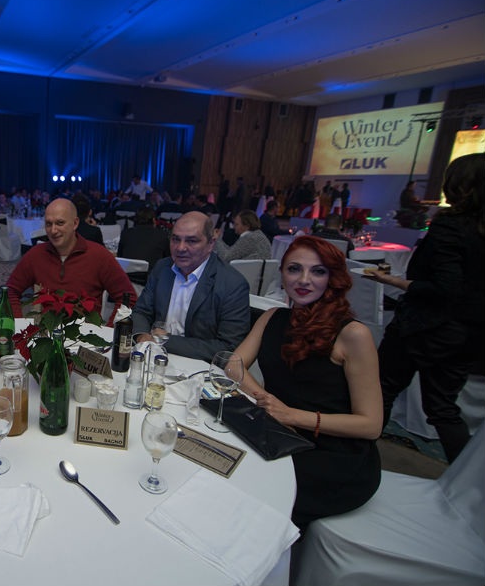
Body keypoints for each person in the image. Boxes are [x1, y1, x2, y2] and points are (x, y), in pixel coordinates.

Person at [235, 236, 382, 529]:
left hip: (333, 455)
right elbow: (233, 365)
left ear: (333, 277)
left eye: (317, 271)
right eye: (294, 269)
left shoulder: (353, 335)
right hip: (280, 434)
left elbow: (371, 425)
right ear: (282, 274)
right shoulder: (273, 317)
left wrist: (291, 415)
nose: (303, 280)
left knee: (248, 490)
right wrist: (267, 402)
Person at [369, 153, 485, 462]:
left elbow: (445, 288)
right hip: (469, 334)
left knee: (381, 389)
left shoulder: (451, 226)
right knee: (442, 408)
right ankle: (467, 482)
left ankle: (358, 461)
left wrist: (394, 281)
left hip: (425, 327)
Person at [132, 211, 250, 361]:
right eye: (175, 239)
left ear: (211, 244)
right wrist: (142, 336)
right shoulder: (163, 268)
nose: (180, 248)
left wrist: (164, 341)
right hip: (152, 358)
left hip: (198, 366)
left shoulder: (232, 284)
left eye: (192, 241)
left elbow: (227, 347)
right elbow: (141, 311)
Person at [6, 198, 135, 317]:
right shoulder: (36, 255)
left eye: (60, 223)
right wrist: (17, 323)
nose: (53, 230)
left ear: (75, 223)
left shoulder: (99, 255)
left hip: (86, 333)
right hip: (46, 331)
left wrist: (112, 329)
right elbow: (10, 291)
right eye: (49, 224)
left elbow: (128, 298)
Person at [116, 206, 169, 276]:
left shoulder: (126, 233)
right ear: (153, 220)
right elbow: (168, 259)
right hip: (152, 277)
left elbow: (120, 257)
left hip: (128, 276)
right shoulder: (162, 235)